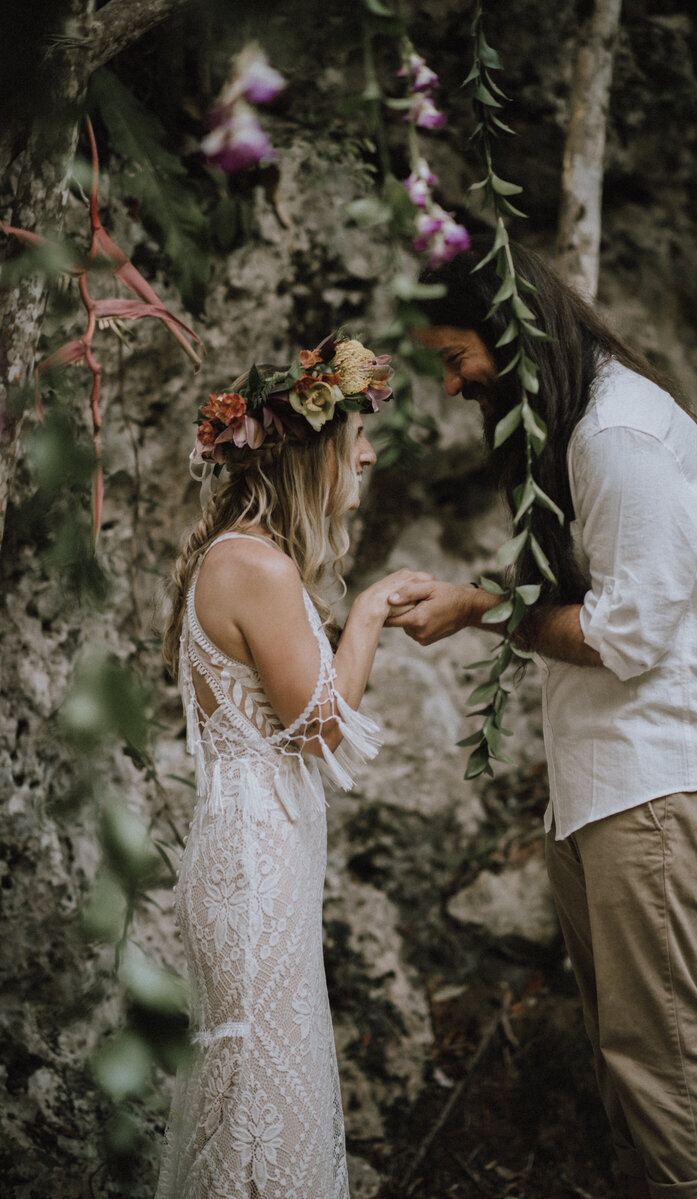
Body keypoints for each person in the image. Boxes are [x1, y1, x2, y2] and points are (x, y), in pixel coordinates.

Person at [386, 241, 697, 1199]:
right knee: (626, 1068)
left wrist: (483, 607)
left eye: (453, 355)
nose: (451, 382)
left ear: (509, 335)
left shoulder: (617, 437)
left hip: (663, 786)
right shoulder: (580, 430)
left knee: (666, 1064)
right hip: (610, 787)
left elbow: (625, 636)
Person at [156, 333, 428, 1199]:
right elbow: (317, 726)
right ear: (314, 455)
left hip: (259, 857)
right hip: (252, 865)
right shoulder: (257, 567)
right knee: (260, 1098)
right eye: (357, 442)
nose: (371, 453)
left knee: (260, 1087)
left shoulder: (243, 558)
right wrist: (375, 609)